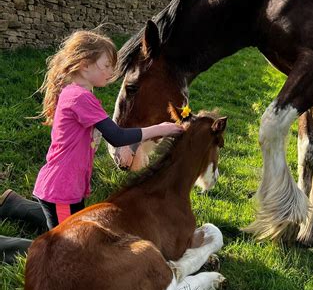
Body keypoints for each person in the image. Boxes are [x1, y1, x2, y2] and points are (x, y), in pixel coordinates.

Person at [0, 30, 182, 261]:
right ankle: (6, 246)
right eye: (106, 65)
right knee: (67, 253)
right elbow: (116, 136)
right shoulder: (80, 98)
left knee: (77, 232)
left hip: (66, 186)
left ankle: (13, 205)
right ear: (85, 66)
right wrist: (162, 129)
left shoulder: (77, 92)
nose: (111, 71)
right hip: (62, 190)